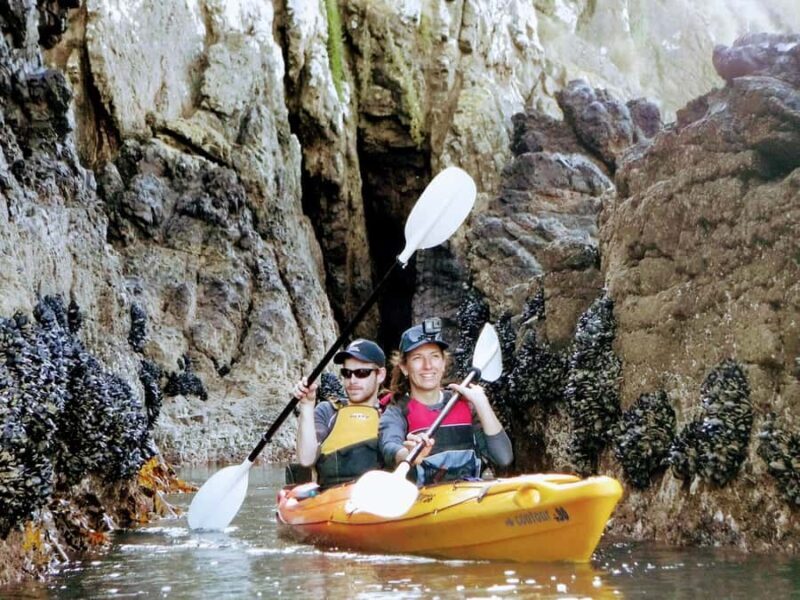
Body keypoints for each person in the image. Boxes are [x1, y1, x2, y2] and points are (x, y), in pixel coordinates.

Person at [379, 317, 513, 486]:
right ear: (405, 368)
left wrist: (482, 403)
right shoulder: (396, 411)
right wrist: (408, 454)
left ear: (443, 363)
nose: (428, 366)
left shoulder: (466, 405)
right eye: (417, 358)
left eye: (435, 356)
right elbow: (389, 446)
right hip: (423, 503)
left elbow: (504, 457)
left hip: (467, 499)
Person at [292, 338, 387, 488]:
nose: (352, 380)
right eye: (347, 373)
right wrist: (307, 405)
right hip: (333, 500)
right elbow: (306, 459)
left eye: (362, 373)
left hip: (379, 498)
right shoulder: (327, 411)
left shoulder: (392, 413)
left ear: (380, 375)